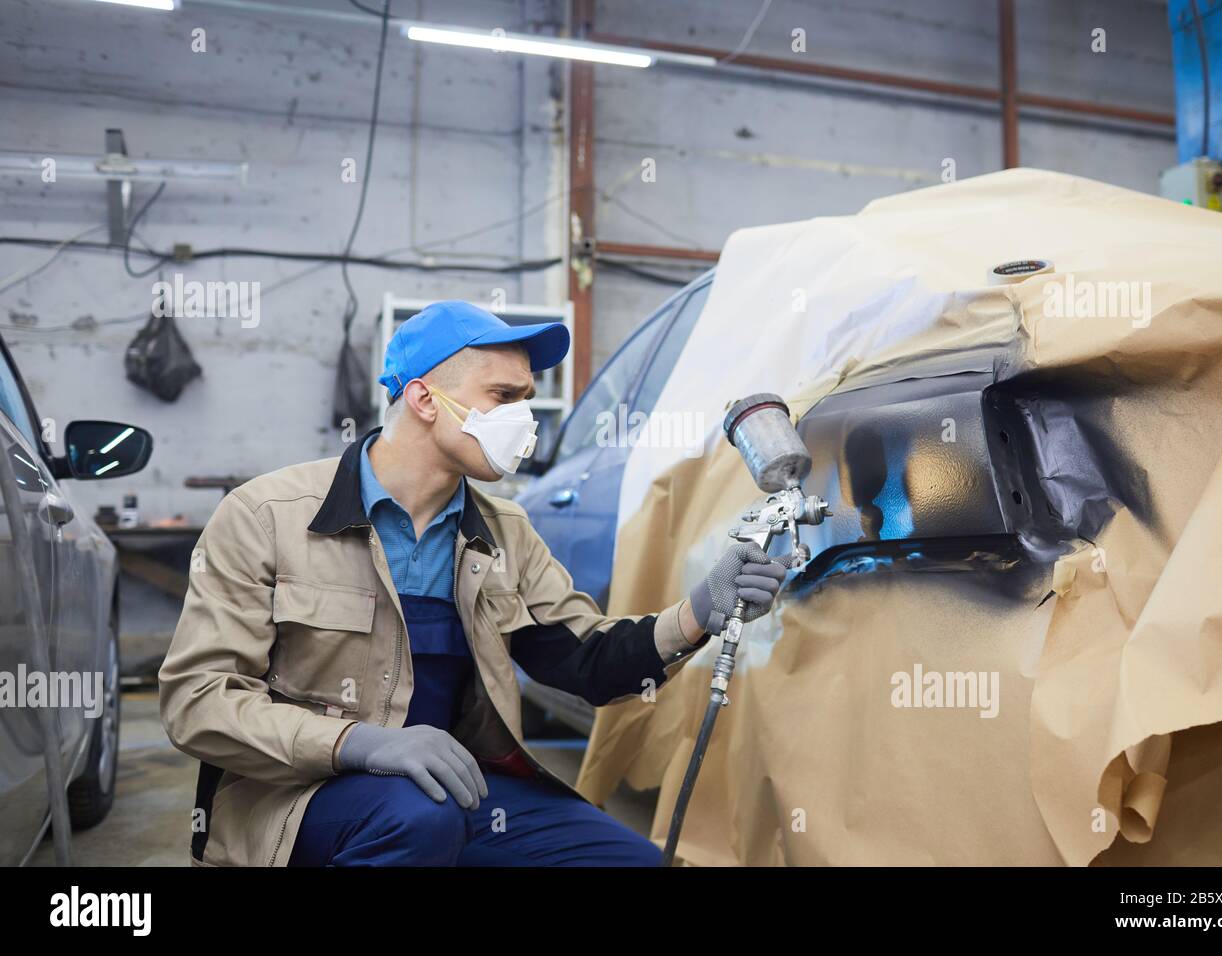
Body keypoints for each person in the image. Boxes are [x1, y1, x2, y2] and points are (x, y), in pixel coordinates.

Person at [159, 299, 792, 866]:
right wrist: (359, 743)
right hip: (298, 795)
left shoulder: (504, 533)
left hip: (458, 786)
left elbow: (583, 661)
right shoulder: (268, 516)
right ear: (425, 399)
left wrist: (698, 613)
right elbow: (199, 701)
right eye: (505, 397)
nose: (526, 419)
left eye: (528, 398)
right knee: (414, 820)